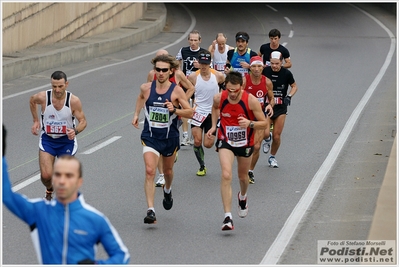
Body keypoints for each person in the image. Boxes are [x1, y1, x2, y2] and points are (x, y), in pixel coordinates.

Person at [2, 126, 130, 264]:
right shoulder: (39, 211)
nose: (62, 181)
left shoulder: (95, 219)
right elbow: (7, 196)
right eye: (58, 175)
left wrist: (97, 265)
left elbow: (122, 256)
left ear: (79, 181)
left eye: (68, 176)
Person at [132, 54, 193, 224]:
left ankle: (167, 189)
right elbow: (140, 98)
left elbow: (190, 112)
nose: (160, 73)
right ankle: (151, 210)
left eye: (164, 70)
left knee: (167, 172)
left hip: (169, 137)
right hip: (150, 136)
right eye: (157, 69)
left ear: (171, 71)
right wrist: (136, 114)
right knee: (150, 171)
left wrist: (174, 110)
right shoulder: (146, 87)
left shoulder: (176, 90)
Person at [206, 71, 268, 231]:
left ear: (242, 87)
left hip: (245, 142)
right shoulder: (219, 98)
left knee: (243, 176)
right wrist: (214, 126)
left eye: (236, 90)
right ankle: (228, 216)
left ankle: (243, 196)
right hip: (226, 140)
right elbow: (214, 109)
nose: (232, 94)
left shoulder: (251, 101)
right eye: (229, 90)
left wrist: (249, 123)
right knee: (226, 174)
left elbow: (264, 123)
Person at [30, 70, 87, 200]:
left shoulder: (73, 101)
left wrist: (75, 131)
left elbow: (83, 121)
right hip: (48, 140)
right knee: (46, 176)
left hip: (66, 141)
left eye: (60, 86)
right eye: (54, 86)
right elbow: (32, 100)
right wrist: (35, 121)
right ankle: (49, 189)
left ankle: (66, 203)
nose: (57, 90)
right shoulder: (44, 97)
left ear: (66, 84)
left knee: (63, 175)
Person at [147, 49, 194, 187]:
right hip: (157, 116)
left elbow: (191, 88)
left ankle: (172, 152)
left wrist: (181, 102)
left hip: (174, 113)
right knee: (157, 145)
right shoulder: (151, 75)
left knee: (168, 140)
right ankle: (161, 175)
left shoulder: (178, 74)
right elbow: (147, 93)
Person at [187, 50, 225, 176]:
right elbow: (186, 91)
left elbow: (225, 88)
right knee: (197, 141)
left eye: (206, 63)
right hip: (198, 112)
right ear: (198, 62)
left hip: (212, 113)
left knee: (208, 144)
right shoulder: (193, 77)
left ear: (210, 63)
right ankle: (202, 166)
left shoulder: (218, 76)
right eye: (201, 63)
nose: (203, 66)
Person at [262, 51, 298, 168]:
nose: (274, 66)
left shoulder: (287, 73)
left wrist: (289, 96)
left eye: (277, 63)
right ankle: (267, 140)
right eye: (272, 63)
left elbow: (294, 86)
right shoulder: (265, 71)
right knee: (265, 133)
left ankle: (272, 157)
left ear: (281, 62)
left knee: (277, 136)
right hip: (268, 106)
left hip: (281, 107)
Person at [242, 56, 275, 184]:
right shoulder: (244, 81)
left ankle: (250, 171)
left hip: (260, 116)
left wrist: (269, 105)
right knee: (245, 146)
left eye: (259, 66)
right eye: (254, 66)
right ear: (250, 67)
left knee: (256, 147)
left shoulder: (267, 82)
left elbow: (271, 98)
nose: (256, 69)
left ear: (263, 68)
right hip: (246, 116)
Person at [176, 30, 203, 146]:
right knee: (184, 107)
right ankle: (185, 135)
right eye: (191, 40)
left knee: (195, 108)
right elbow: (177, 63)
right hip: (186, 84)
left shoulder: (203, 53)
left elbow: (209, 69)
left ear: (199, 41)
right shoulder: (183, 50)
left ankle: (194, 133)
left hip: (198, 84)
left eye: (195, 40)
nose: (193, 42)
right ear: (188, 40)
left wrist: (200, 66)